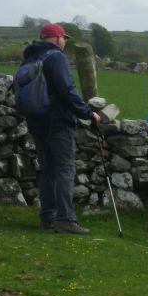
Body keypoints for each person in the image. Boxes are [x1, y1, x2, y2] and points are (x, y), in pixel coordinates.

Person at [20, 23, 100, 235]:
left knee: (47, 169)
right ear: (57, 39)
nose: (65, 42)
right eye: (64, 38)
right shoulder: (56, 58)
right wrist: (88, 113)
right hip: (58, 120)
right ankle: (65, 219)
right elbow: (67, 90)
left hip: (36, 121)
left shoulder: (30, 58)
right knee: (65, 169)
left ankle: (48, 217)